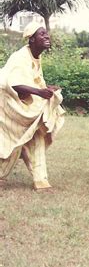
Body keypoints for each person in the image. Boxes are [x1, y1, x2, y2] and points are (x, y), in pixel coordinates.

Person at [0, 22, 65, 190]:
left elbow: (33, 80)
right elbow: (13, 84)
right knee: (12, 142)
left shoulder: (36, 56)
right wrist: (39, 92)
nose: (47, 37)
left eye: (46, 34)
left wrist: (46, 89)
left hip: (25, 107)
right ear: (32, 40)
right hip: (9, 107)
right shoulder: (20, 57)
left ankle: (40, 180)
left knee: (35, 137)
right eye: (42, 34)